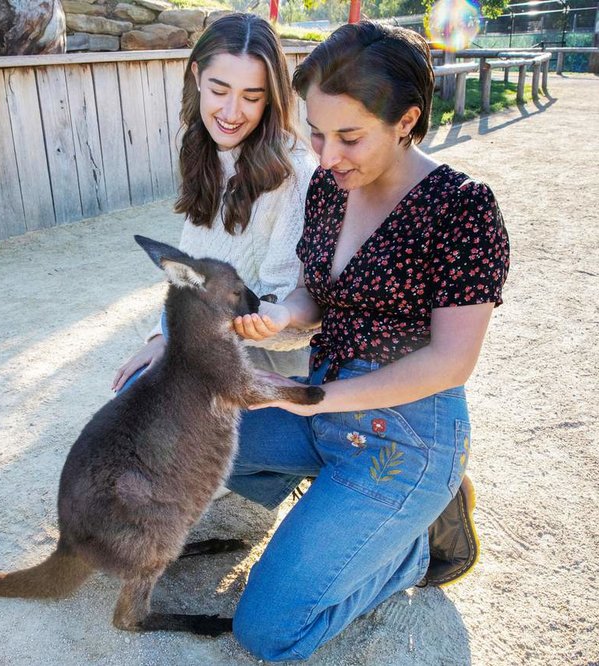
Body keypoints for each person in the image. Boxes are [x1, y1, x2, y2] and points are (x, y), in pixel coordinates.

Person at [225, 22, 510, 661]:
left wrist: (311, 397)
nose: (326, 157)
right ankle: (342, 507)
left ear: (406, 120)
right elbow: (315, 297)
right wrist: (281, 315)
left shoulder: (463, 208)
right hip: (320, 405)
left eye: (349, 137)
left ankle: (413, 550)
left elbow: (451, 361)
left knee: (267, 632)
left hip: (407, 435)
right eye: (317, 134)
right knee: (184, 432)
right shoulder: (330, 186)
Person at [111, 13, 316, 394]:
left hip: (271, 352)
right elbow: (192, 268)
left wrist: (187, 344)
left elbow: (285, 303)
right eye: (219, 90)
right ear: (196, 77)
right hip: (211, 333)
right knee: (135, 394)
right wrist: (162, 337)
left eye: (251, 97)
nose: (231, 112)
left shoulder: (295, 174)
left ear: (271, 99)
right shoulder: (204, 151)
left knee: (152, 404)